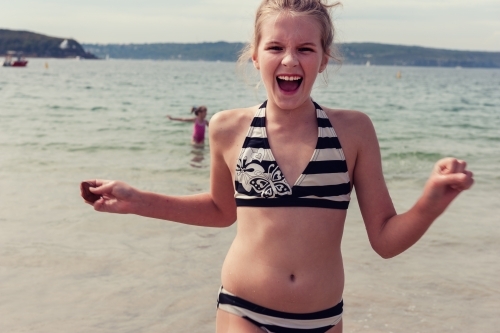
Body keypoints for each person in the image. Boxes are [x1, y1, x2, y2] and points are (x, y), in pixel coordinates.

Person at [81, 1, 474, 332]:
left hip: (323, 319)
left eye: (305, 48)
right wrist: (138, 200)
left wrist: (431, 202)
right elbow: (221, 211)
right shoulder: (227, 128)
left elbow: (385, 241)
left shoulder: (353, 131)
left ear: (323, 59)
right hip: (244, 311)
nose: (290, 59)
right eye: (275, 47)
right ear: (255, 56)